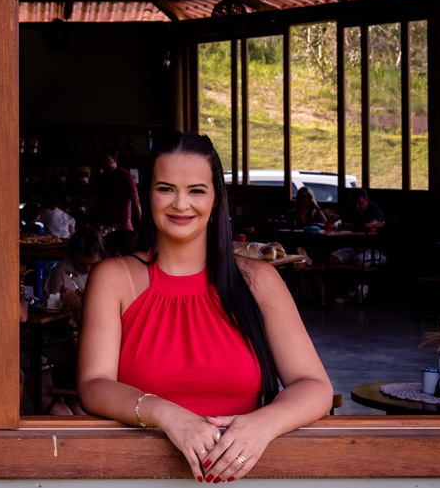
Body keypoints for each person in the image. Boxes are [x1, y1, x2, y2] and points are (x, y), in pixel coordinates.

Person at [77, 131, 332, 483]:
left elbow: (315, 386)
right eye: (166, 188)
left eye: (196, 190)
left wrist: (263, 424)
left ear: (215, 199)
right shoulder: (115, 278)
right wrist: (167, 415)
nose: (181, 204)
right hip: (138, 476)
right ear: (147, 195)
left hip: (243, 477)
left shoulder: (259, 281)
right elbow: (93, 384)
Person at [94, 144, 142, 231]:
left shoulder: (125, 177)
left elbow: (136, 201)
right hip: (104, 228)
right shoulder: (101, 178)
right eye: (101, 159)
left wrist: (140, 227)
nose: (103, 162)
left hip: (122, 228)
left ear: (115, 160)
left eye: (106, 159)